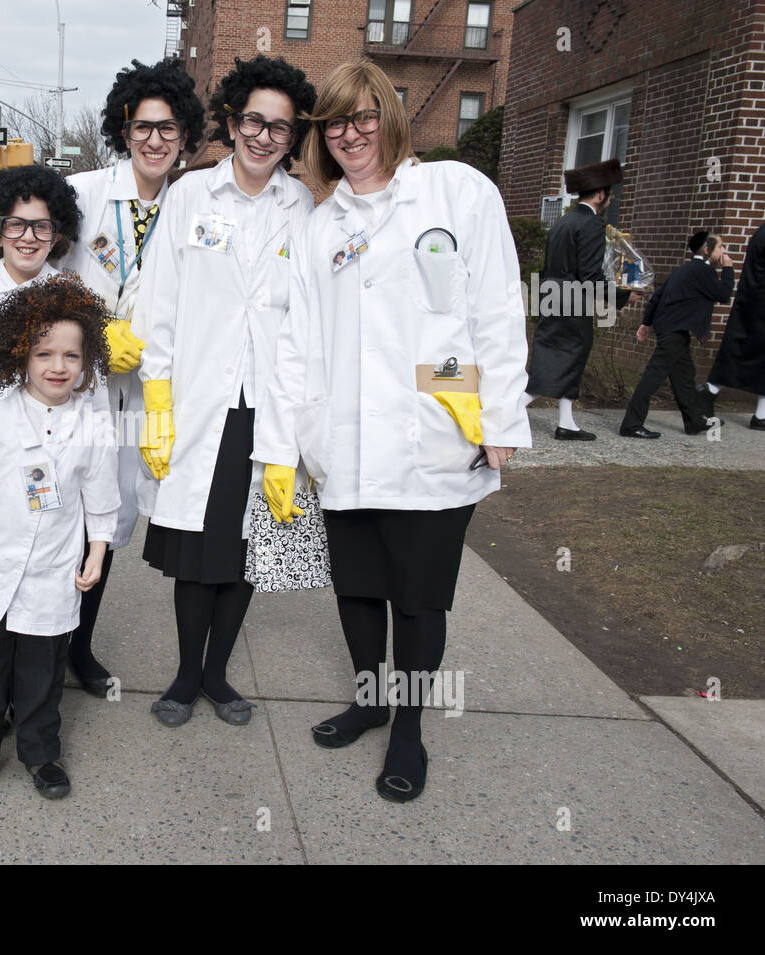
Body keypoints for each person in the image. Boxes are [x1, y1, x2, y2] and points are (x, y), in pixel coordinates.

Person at [254, 60, 530, 802]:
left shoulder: (458, 193)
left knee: (418, 595)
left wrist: (500, 414)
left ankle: (408, 725)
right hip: (342, 443)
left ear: (391, 116)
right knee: (358, 588)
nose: (351, 134)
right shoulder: (320, 226)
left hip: (435, 440)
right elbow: (295, 346)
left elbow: (499, 309)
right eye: (335, 122)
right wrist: (282, 448)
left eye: (364, 116)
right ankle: (370, 697)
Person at [136, 55, 316, 728]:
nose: (263, 136)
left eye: (279, 127)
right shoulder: (189, 196)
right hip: (197, 399)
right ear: (231, 121)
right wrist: (157, 401)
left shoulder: (301, 206)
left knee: (246, 546)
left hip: (266, 402)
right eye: (252, 120)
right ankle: (186, 672)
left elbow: (308, 316)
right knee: (195, 545)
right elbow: (158, 303)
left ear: (293, 137)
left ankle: (218, 674)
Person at [59, 57, 206, 697]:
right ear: (124, 129)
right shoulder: (81, 194)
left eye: (169, 129)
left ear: (185, 137)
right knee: (56, 504)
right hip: (72, 385)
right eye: (144, 127)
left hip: (141, 394)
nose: (155, 141)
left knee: (108, 518)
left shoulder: (190, 205)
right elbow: (35, 273)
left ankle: (79, 648)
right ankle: (40, 638)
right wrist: (90, 332)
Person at [0, 274, 119, 803]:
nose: (58, 366)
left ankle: (41, 753)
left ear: (86, 359)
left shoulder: (93, 425)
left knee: (43, 677)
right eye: (44, 353)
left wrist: (98, 548)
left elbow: (101, 494)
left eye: (71, 355)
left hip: (53, 573)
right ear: (20, 354)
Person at [0, 165, 82, 449]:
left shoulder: (71, 295)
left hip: (48, 447)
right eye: (16, 224)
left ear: (56, 235)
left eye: (42, 226)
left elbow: (86, 386)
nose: (29, 237)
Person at [526, 158, 632, 440]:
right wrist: (620, 295)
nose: (610, 199)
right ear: (600, 194)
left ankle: (566, 422)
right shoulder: (592, 224)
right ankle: (508, 412)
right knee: (561, 361)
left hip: (553, 294)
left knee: (563, 358)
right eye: (610, 194)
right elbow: (589, 276)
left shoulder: (564, 221)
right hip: (572, 300)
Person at [620, 232, 733, 438]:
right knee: (652, 378)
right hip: (674, 332)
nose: (724, 251)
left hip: (674, 330)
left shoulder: (683, 270)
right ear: (707, 250)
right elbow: (724, 295)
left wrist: (646, 323)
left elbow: (657, 297)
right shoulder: (703, 270)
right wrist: (728, 268)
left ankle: (694, 422)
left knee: (684, 377)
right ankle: (631, 425)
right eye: (721, 247)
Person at [704, 221, 765, 430]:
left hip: (753, 302)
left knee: (741, 354)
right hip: (759, 305)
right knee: (744, 356)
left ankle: (710, 391)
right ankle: (709, 391)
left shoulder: (760, 234)